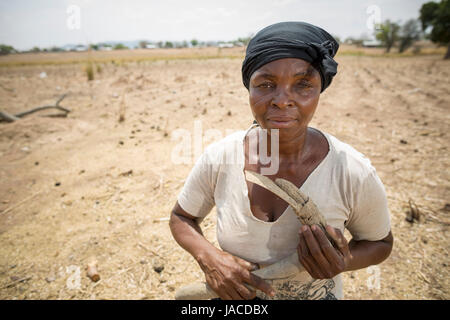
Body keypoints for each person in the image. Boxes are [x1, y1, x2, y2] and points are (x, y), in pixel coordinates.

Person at [169, 21, 393, 300]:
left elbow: (380, 243)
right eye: (265, 84)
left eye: (303, 85)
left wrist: (342, 261)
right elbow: (181, 217)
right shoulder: (221, 157)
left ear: (319, 90)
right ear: (249, 89)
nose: (282, 100)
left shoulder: (352, 171)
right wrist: (210, 258)